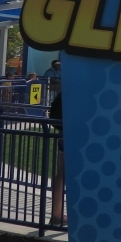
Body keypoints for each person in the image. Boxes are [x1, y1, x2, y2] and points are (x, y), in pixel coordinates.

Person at [48, 92, 65, 227]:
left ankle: (56, 214)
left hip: (64, 133)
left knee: (61, 173)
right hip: (81, 135)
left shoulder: (65, 91)